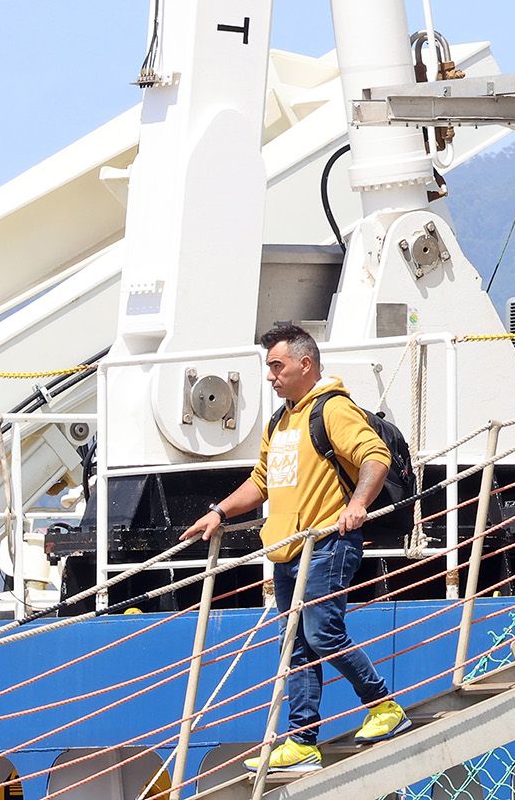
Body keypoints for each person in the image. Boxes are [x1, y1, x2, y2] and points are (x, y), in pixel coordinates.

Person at [181, 322, 408, 773]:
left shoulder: (333, 409)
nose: (270, 376)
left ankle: (384, 707)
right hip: (286, 552)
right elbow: (262, 481)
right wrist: (220, 512)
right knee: (296, 646)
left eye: (276, 366)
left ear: (306, 364)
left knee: (322, 633)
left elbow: (375, 455)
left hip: (327, 542)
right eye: (269, 367)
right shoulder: (281, 420)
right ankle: (303, 740)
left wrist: (358, 504)